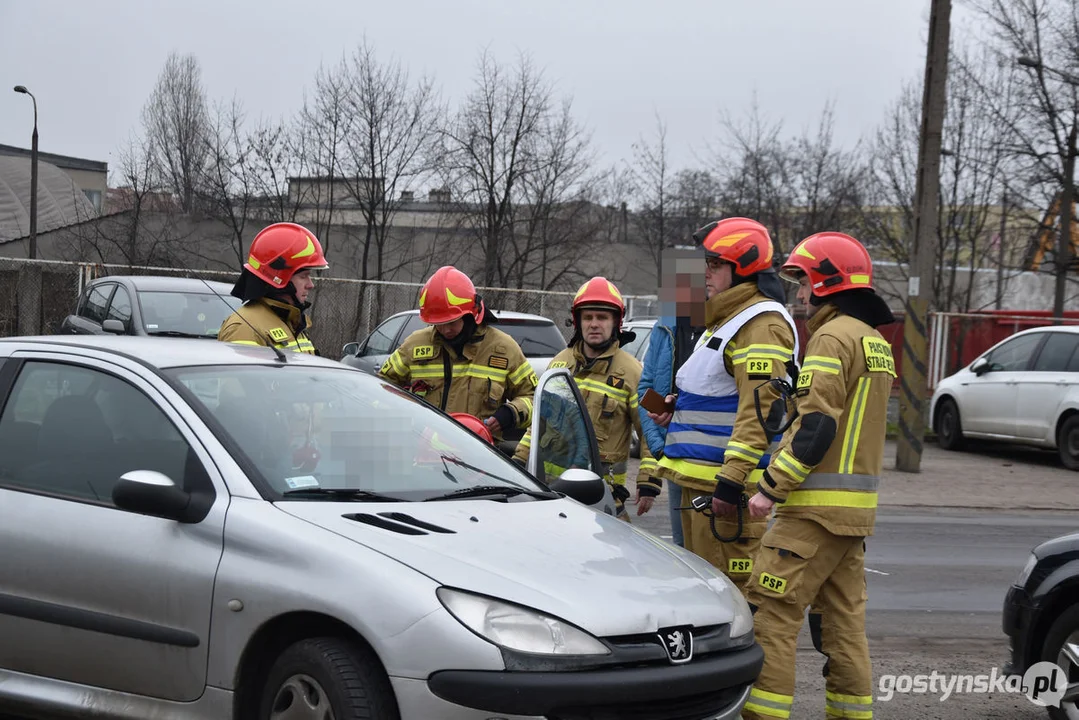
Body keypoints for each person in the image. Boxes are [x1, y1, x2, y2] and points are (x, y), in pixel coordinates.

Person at [740, 231, 895, 720]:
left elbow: (817, 426)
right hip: (853, 518)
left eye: (804, 281)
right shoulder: (874, 342)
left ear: (828, 281)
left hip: (810, 512)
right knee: (843, 627)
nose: (800, 294)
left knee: (772, 615)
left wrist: (769, 488)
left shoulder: (831, 337)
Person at [650, 217, 798, 592]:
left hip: (719, 488)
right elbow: (719, 393)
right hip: (697, 481)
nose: (705, 273)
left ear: (742, 268)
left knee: (727, 595)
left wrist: (731, 483)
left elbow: (761, 410)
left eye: (715, 265)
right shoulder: (727, 319)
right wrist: (675, 407)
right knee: (700, 591)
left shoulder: (759, 324)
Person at [514, 276, 658, 521]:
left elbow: (651, 431)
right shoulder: (560, 362)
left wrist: (649, 483)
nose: (594, 324)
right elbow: (539, 422)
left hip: (603, 496)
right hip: (552, 493)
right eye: (588, 317)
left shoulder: (635, 372)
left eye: (602, 317)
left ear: (616, 322)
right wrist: (518, 460)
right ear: (577, 321)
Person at [378, 266, 535, 440]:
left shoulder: (504, 349)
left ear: (471, 314)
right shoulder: (415, 346)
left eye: (452, 322)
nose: (445, 330)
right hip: (422, 452)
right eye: (438, 323)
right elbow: (381, 388)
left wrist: (511, 413)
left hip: (482, 456)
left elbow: (533, 398)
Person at [637, 247, 707, 547]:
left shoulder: (723, 328)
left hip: (713, 458)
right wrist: (659, 446)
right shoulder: (664, 327)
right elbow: (646, 389)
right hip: (676, 458)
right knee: (685, 551)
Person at [218, 222, 327, 355]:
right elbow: (239, 375)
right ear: (280, 278)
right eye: (303, 276)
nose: (311, 285)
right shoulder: (244, 328)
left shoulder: (292, 322)